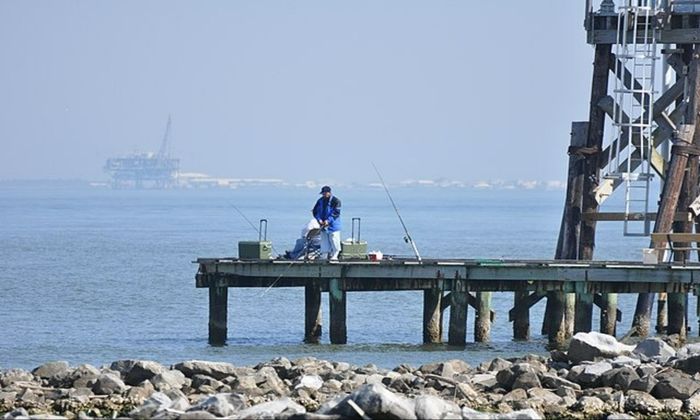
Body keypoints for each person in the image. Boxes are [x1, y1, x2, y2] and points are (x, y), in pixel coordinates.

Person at [312, 185, 342, 260]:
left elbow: (336, 213)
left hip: (333, 225)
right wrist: (319, 219)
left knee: (334, 239)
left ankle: (335, 255)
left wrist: (328, 220)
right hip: (322, 225)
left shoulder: (336, 201)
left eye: (325, 193)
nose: (324, 195)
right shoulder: (320, 201)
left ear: (329, 192)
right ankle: (324, 255)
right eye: (323, 193)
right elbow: (315, 211)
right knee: (324, 240)